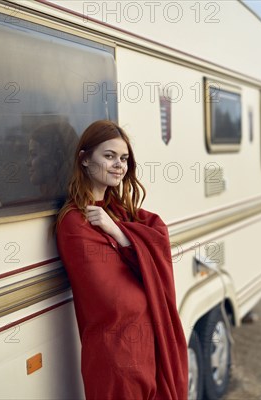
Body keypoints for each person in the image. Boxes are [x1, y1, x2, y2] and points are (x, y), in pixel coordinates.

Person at [54, 120, 188, 400]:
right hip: (117, 354)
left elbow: (159, 238)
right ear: (85, 159)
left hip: (147, 347)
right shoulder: (74, 221)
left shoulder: (120, 213)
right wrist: (145, 269)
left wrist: (119, 232)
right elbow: (115, 296)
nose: (119, 165)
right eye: (109, 156)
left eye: (124, 158)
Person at [27, 121, 77, 200]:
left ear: (54, 159)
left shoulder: (70, 203)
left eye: (34, 154)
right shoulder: (47, 197)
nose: (28, 163)